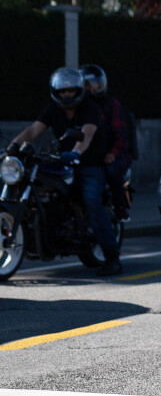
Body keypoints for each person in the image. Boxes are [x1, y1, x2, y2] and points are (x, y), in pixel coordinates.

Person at [7, 67, 122, 277]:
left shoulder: (91, 108)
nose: (66, 95)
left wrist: (76, 152)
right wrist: (12, 147)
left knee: (91, 200)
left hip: (90, 164)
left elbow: (86, 135)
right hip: (62, 162)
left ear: (78, 90)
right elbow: (33, 130)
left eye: (70, 90)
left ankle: (112, 257)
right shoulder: (52, 109)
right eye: (62, 91)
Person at [80, 64, 133, 222]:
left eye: (93, 84)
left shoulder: (111, 104)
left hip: (114, 152)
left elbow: (121, 134)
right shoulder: (79, 107)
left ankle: (120, 208)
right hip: (91, 153)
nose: (90, 89)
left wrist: (113, 153)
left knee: (112, 171)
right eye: (86, 85)